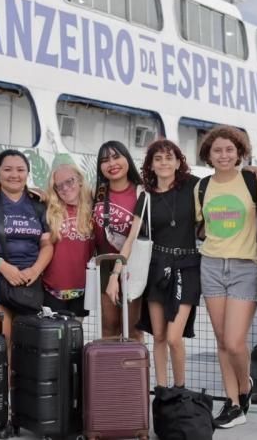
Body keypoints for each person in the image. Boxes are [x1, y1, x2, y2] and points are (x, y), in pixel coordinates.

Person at [194, 127, 257, 429]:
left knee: (235, 342)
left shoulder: (252, 181)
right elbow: (199, 225)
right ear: (208, 155)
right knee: (222, 339)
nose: (223, 155)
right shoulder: (202, 187)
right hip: (210, 264)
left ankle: (245, 388)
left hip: (245, 266)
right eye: (217, 151)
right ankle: (233, 404)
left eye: (229, 150)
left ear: (239, 152)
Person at [121, 139, 201, 391]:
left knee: (175, 338)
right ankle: (163, 391)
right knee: (158, 336)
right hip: (156, 267)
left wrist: (251, 172)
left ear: (178, 162)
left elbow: (222, 184)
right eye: (158, 158)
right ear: (151, 166)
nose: (164, 162)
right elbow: (131, 238)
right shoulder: (145, 197)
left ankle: (180, 389)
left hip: (187, 266)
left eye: (169, 157)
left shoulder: (194, 186)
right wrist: (115, 273)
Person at [0, 149, 53, 347]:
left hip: (28, 280)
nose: (14, 175)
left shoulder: (38, 205)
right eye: (7, 169)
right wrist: (4, 267)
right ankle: (0, 379)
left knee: (25, 342)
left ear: (27, 174)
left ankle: (18, 380)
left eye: (20, 170)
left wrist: (35, 270)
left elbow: (47, 244)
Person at [93, 141, 145, 340]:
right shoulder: (97, 192)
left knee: (133, 329)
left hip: (135, 265)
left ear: (127, 160)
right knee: (109, 327)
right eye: (105, 160)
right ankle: (109, 370)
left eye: (116, 157)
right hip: (105, 264)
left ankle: (133, 371)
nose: (111, 164)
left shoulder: (142, 192)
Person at [42, 159, 94, 318]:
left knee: (74, 337)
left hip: (81, 289)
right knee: (54, 339)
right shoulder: (49, 209)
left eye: (69, 181)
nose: (65, 188)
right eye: (59, 185)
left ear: (79, 180)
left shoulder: (94, 208)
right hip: (52, 290)